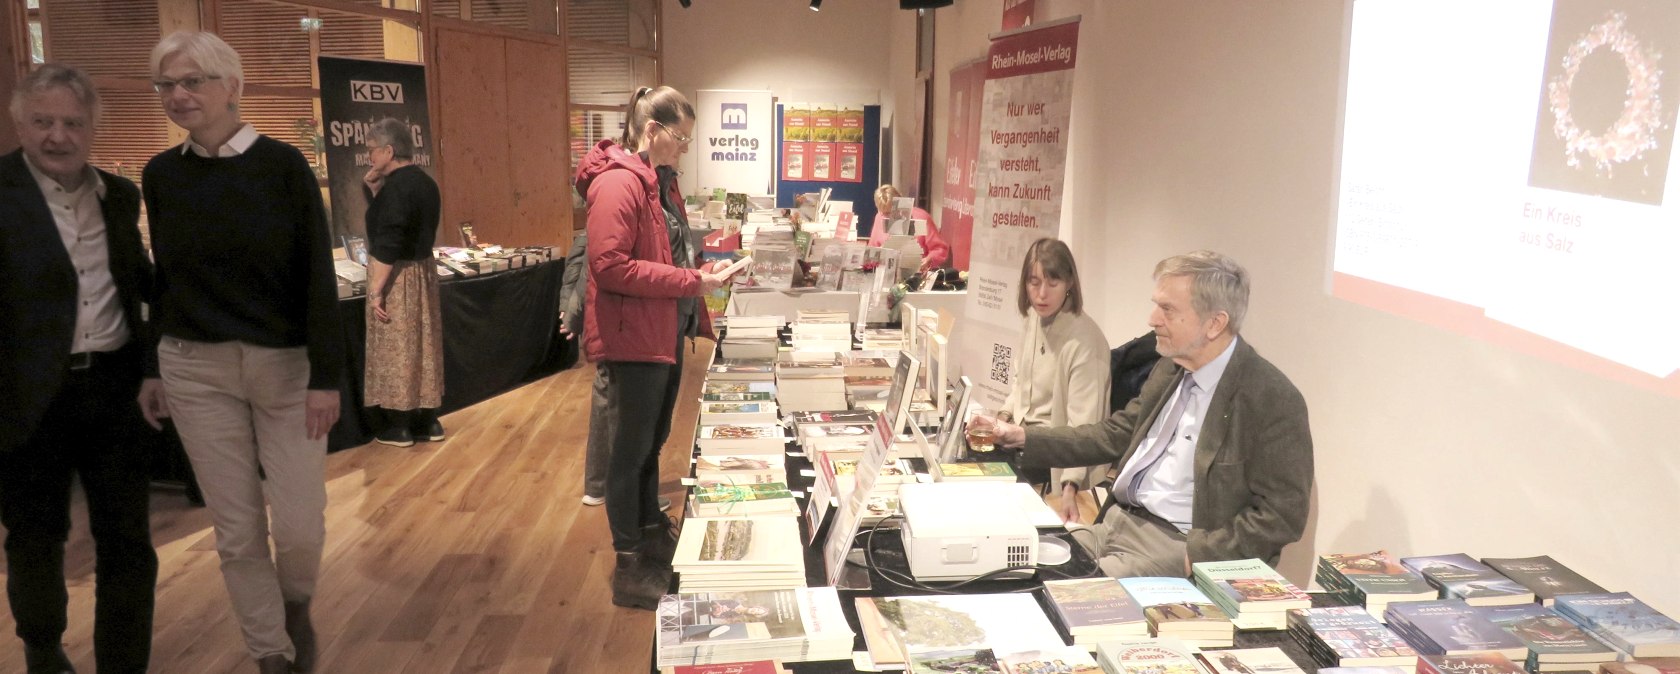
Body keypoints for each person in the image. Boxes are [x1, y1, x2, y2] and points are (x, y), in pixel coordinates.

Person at [139, 31, 344, 673]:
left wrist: (326, 377)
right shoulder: (161, 175)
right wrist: (153, 366)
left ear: (232, 86)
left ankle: (294, 600)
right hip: (194, 367)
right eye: (166, 85)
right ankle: (270, 651)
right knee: (235, 529)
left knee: (301, 520)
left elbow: (317, 275)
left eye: (192, 80)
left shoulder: (283, 167)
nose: (177, 95)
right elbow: (164, 280)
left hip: (284, 368)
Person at [975, 251, 1312, 578]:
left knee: (1064, 592)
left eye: (1167, 309)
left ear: (1215, 324)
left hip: (1173, 547)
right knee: (1012, 564)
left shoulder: (1270, 398)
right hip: (1114, 523)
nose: (1152, 320)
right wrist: (1021, 436)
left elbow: (1281, 514)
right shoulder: (1170, 368)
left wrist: (1200, 554)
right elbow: (1113, 434)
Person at [0, 63, 159, 674]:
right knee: (35, 538)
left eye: (72, 122)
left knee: (128, 541)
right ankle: (43, 647)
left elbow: (139, 286)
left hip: (114, 392)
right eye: (43, 122)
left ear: (92, 127)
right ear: (20, 123)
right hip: (26, 399)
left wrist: (154, 364)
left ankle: (125, 663)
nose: (57, 136)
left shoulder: (119, 197)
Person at [574, 85, 728, 610]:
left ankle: (647, 531)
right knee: (628, 452)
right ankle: (629, 562)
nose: (684, 148)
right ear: (653, 130)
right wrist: (690, 283)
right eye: (680, 137)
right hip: (633, 337)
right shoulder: (619, 183)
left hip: (657, 333)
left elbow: (664, 255)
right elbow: (610, 265)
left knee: (648, 444)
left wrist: (698, 277)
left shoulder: (656, 182)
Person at [997, 238, 1111, 523]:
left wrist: (1070, 486)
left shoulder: (1085, 342)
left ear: (1070, 282)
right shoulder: (1034, 320)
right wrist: (1001, 416)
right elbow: (1020, 383)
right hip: (1025, 439)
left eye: (1053, 283)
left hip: (1058, 453)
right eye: (1034, 282)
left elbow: (1085, 429)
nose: (1041, 294)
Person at [360, 117, 445, 448]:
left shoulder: (398, 188)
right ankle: (429, 421)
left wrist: (376, 291)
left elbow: (389, 241)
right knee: (422, 346)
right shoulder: (425, 183)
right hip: (423, 271)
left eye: (371, 151)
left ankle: (399, 425)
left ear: (388, 150)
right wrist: (375, 190)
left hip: (398, 277)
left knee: (397, 350)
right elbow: (403, 222)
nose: (369, 157)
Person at [867, 183, 950, 271]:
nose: (889, 217)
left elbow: (940, 249)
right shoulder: (879, 217)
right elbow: (872, 248)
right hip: (888, 272)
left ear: (901, 203)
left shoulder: (922, 217)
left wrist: (929, 260)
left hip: (917, 273)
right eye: (885, 213)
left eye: (892, 211)